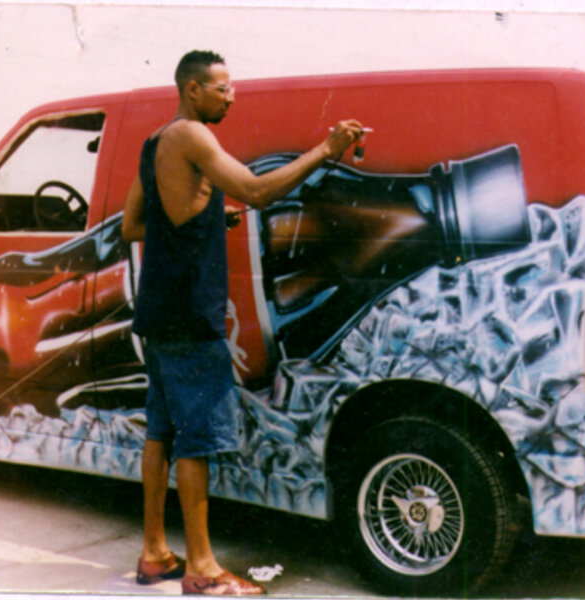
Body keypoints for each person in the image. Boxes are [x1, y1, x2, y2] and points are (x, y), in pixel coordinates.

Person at [122, 49, 363, 596]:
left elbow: (133, 226)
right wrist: (326, 149)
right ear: (191, 88)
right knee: (197, 440)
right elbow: (255, 190)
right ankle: (203, 570)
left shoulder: (154, 142)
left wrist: (205, 217)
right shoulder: (193, 136)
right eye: (222, 88)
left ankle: (155, 553)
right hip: (191, 316)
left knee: (160, 432)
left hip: (157, 315)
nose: (232, 96)